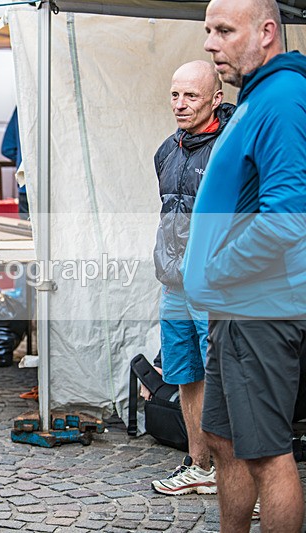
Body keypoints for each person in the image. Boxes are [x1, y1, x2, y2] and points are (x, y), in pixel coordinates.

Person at [183, 0, 306, 531]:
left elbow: (287, 219)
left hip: (261, 308)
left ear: (267, 32)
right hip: (236, 309)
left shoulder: (283, 98)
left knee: (268, 455)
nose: (210, 43)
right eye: (208, 30)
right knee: (223, 439)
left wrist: (215, 272)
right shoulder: (258, 97)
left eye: (225, 31)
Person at [150, 60, 234, 496]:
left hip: (216, 286)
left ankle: (237, 476)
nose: (180, 104)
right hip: (175, 284)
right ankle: (199, 465)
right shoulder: (166, 150)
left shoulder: (232, 149)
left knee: (225, 377)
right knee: (186, 373)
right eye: (175, 94)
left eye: (191, 96)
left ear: (216, 99)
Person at [0, 107, 28, 219]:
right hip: (57, 186)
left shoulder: (22, 107)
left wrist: (23, 160)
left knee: (27, 228)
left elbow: (7, 148)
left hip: (26, 184)